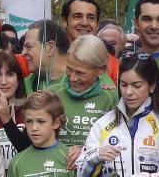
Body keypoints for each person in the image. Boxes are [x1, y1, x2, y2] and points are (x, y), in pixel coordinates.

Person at [47, 35, 117, 167]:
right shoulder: (52, 94)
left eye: (80, 73)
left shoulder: (112, 98)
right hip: (56, 170)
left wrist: (86, 153)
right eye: (69, 69)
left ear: (101, 69)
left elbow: (119, 143)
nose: (73, 78)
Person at [0, 51, 30, 166]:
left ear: (18, 79)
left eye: (10, 74)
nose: (3, 81)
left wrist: (5, 116)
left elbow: (29, 151)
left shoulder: (31, 110)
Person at [61, 0, 118, 83]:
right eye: (77, 16)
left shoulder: (112, 65)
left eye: (91, 18)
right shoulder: (48, 59)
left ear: (97, 25)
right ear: (65, 21)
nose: (84, 23)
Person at [23, 20, 70, 94]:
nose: (23, 53)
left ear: (50, 48)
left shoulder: (79, 83)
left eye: (29, 47)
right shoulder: (25, 84)